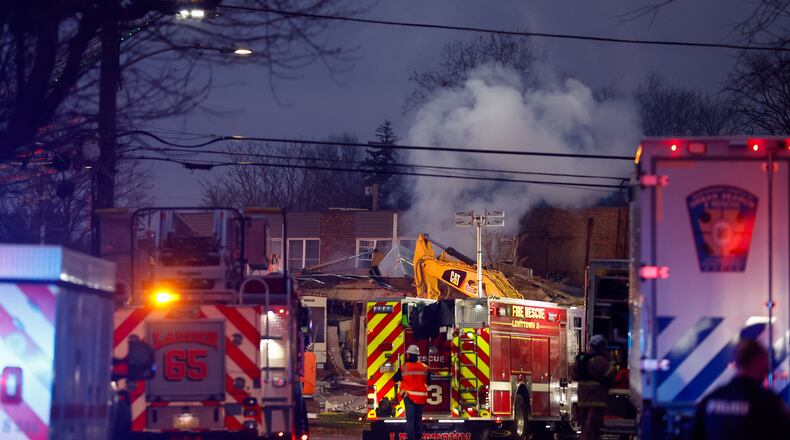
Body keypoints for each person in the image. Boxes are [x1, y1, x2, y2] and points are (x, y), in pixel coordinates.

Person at [690, 338, 789, 439]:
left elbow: (694, 435)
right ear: (757, 361)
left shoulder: (711, 399)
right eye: (765, 360)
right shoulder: (767, 401)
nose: (768, 367)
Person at [573, 334, 616, 440]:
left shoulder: (581, 359)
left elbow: (574, 376)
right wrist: (610, 360)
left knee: (584, 426)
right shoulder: (600, 360)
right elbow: (611, 375)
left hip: (582, 399)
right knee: (592, 428)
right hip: (596, 400)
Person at [394, 344, 430, 440]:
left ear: (408, 355)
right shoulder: (424, 367)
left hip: (409, 397)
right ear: (418, 355)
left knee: (410, 419)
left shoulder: (404, 367)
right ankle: (418, 437)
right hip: (421, 397)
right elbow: (429, 382)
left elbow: (395, 378)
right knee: (418, 419)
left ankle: (411, 438)